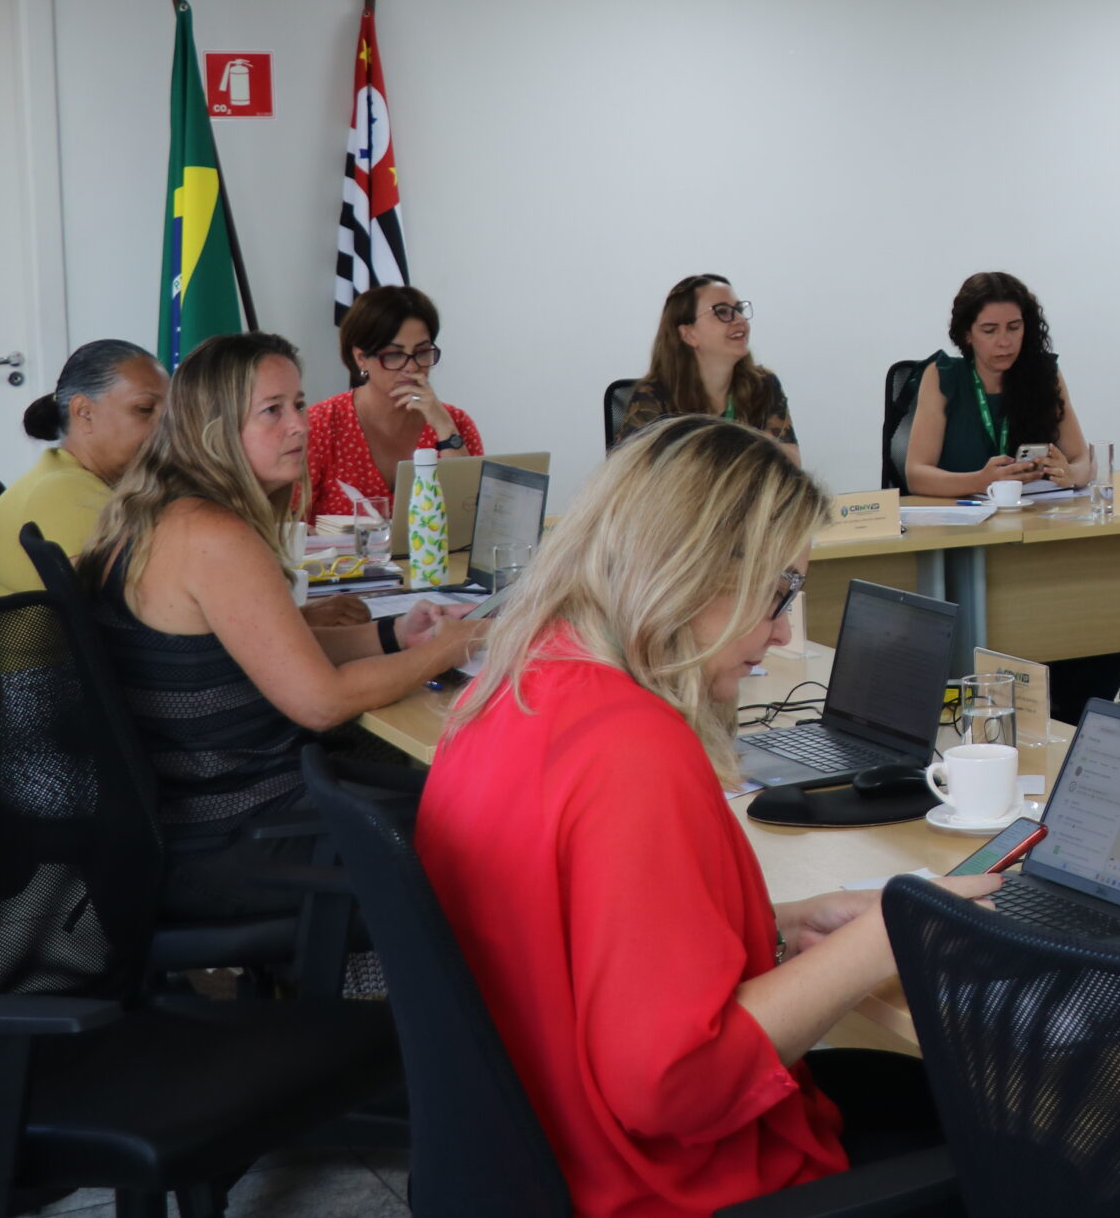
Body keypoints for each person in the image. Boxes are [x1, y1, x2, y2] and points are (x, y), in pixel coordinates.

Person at [418, 417, 994, 1218]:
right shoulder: (632, 747)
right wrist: (887, 937)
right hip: (663, 1185)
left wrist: (780, 924)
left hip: (541, 1150)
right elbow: (673, 1085)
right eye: (778, 591)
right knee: (1024, 1139)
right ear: (692, 569)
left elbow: (579, 933)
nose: (784, 628)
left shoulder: (512, 689)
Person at [74, 332, 478, 920]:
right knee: (480, 826)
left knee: (448, 795)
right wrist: (454, 646)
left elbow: (266, 645)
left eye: (298, 403)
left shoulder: (162, 511)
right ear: (213, 429)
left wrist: (395, 636)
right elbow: (321, 702)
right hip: (236, 829)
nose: (300, 424)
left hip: (193, 812)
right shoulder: (213, 535)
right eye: (272, 411)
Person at [0, 339, 167, 598]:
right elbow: (144, 601)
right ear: (84, 413)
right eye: (145, 410)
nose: (167, 428)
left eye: (170, 414)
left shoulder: (59, 473)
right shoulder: (65, 493)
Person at [903, 271, 1094, 498]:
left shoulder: (1043, 373)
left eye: (1014, 328)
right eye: (989, 330)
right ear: (967, 334)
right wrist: (979, 482)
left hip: (1032, 517)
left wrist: (1071, 474)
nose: (1004, 342)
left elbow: (1083, 460)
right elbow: (916, 476)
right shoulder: (942, 376)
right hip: (962, 522)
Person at [306, 285, 484, 522]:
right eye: (394, 354)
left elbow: (470, 516)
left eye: (422, 352)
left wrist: (444, 427)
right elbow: (289, 527)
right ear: (361, 358)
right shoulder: (319, 424)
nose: (411, 367)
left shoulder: (456, 423)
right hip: (342, 560)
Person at [616, 275, 799, 458]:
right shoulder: (653, 396)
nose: (740, 321)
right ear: (688, 335)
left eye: (738, 309)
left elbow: (791, 463)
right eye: (722, 311)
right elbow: (630, 472)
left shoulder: (764, 385)